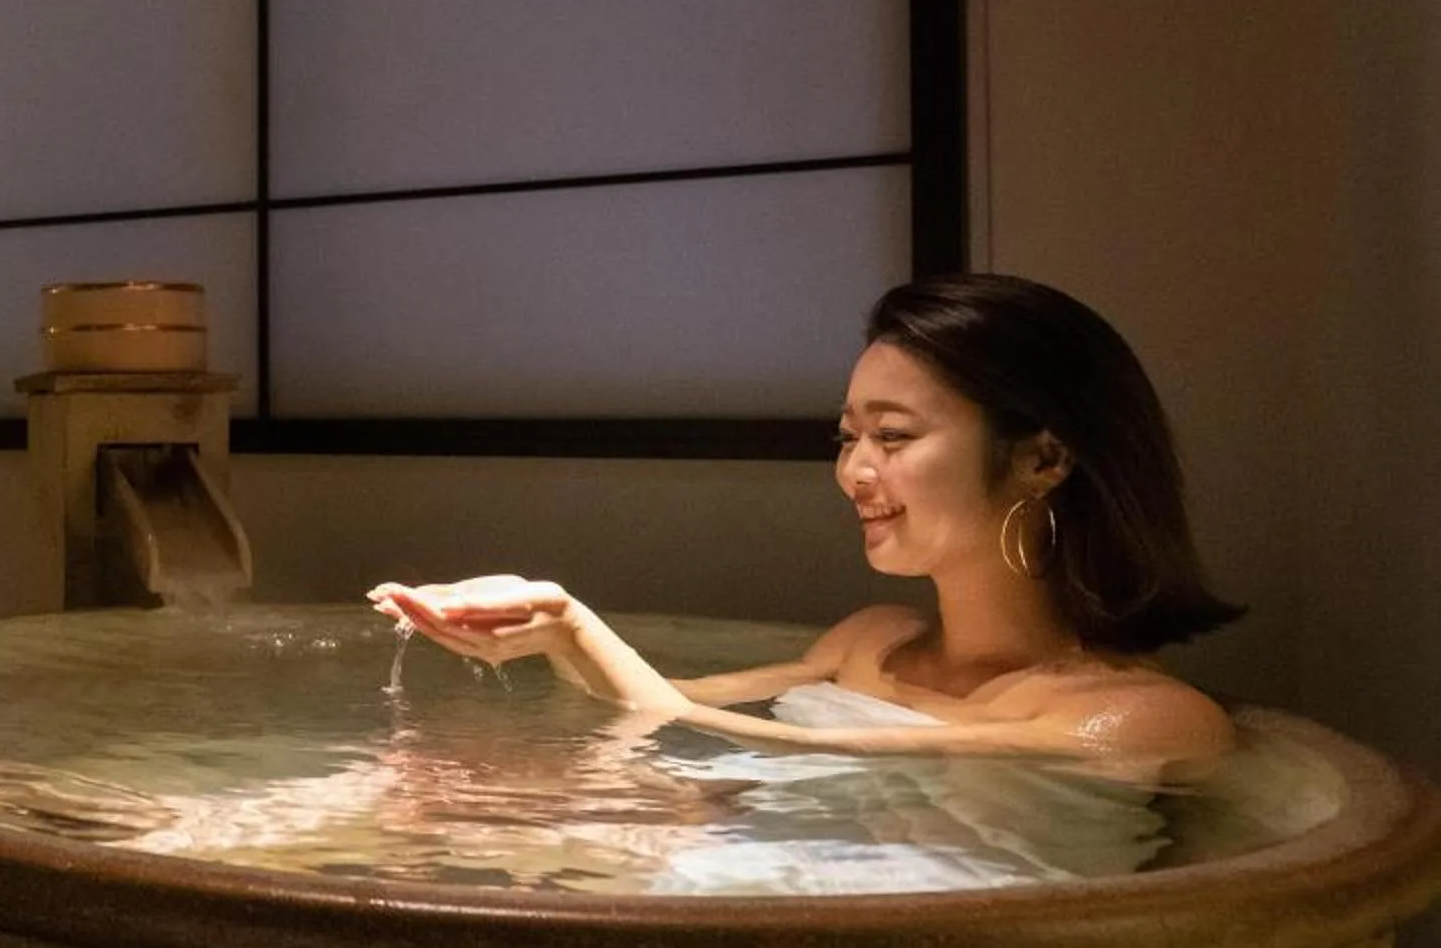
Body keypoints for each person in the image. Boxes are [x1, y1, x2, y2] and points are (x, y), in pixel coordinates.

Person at [369, 274, 1244, 778]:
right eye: (847, 437)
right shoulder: (869, 641)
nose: (854, 471)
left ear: (1044, 458)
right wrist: (540, 636)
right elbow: (666, 709)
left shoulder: (1144, 720)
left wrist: (573, 624)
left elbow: (710, 727)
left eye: (893, 437)